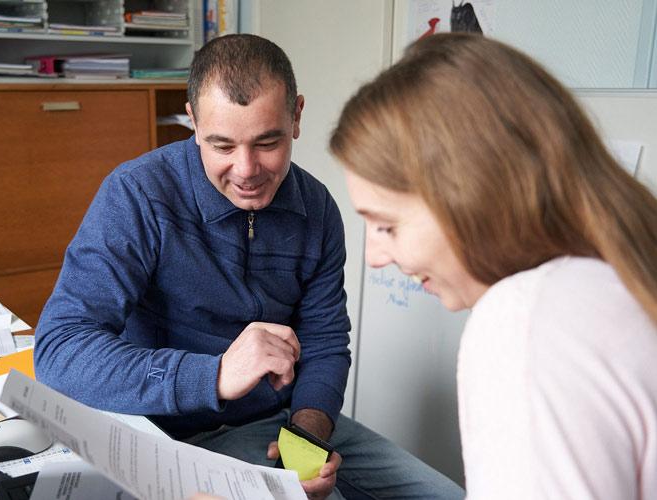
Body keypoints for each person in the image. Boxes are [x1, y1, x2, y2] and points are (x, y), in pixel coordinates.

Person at [35, 34, 463, 499]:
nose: (246, 170)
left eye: (267, 142)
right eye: (222, 146)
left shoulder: (317, 209)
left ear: (296, 116)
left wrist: (308, 436)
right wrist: (215, 375)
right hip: (176, 434)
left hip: (281, 424)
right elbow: (59, 351)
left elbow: (324, 343)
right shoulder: (137, 195)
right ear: (193, 121)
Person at [330, 32, 657, 499]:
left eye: (387, 226)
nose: (375, 256)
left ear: (470, 195)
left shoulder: (527, 320)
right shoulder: (621, 271)